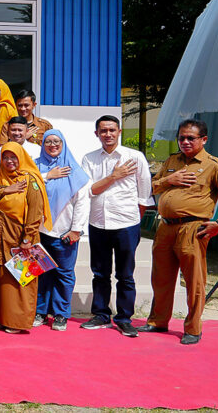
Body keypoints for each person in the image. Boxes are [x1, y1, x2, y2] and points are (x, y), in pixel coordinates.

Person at [140, 119, 218, 344]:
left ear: (203, 140)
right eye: (181, 138)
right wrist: (170, 178)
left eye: (191, 138)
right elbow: (152, 186)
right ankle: (158, 321)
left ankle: (193, 328)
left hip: (193, 229)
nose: (185, 142)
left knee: (194, 281)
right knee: (161, 278)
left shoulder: (213, 165)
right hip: (165, 226)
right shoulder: (172, 160)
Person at [80, 115, 153, 337]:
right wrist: (114, 176)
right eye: (103, 131)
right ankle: (101, 314)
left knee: (125, 274)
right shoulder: (89, 159)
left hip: (126, 224)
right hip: (98, 223)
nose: (108, 134)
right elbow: (90, 190)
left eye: (112, 130)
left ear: (119, 131)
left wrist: (133, 221)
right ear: (96, 134)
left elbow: (144, 196)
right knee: (100, 273)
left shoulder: (135, 157)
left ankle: (124, 318)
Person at [0, 142, 51, 333]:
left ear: (21, 158)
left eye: (13, 157)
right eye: (6, 157)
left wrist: (28, 238)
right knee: (0, 277)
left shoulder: (31, 180)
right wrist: (5, 190)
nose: (10, 161)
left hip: (21, 236)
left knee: (21, 279)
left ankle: (17, 321)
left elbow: (36, 211)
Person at [34, 129, 90, 332]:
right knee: (40, 272)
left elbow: (82, 203)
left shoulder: (74, 170)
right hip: (39, 231)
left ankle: (60, 314)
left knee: (64, 274)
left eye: (56, 141)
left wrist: (76, 230)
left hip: (64, 232)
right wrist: (47, 175)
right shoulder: (35, 165)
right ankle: (40, 311)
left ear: (63, 143)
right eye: (48, 141)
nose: (52, 145)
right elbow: (27, 184)